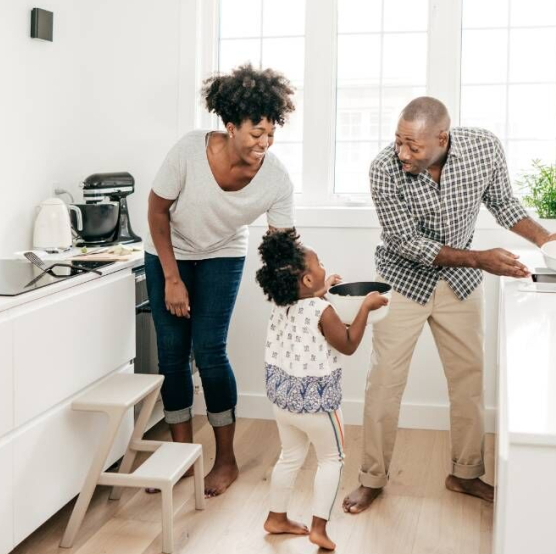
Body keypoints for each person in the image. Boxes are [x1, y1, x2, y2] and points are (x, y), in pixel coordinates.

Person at [342, 96, 556, 514]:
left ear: (442, 138)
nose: (402, 153)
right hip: (403, 280)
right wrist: (479, 258)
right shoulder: (384, 169)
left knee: (469, 380)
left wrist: (545, 238)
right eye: (398, 141)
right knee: (384, 383)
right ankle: (372, 478)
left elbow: (503, 203)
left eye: (413, 146)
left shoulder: (483, 148)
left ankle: (465, 474)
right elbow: (406, 242)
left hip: (460, 283)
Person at [145, 63, 297, 497]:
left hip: (223, 252)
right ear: (231, 127)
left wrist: (303, 289)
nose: (264, 143)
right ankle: (180, 456)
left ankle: (225, 460)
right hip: (169, 250)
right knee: (172, 354)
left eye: (271, 133)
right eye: (256, 133)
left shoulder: (276, 179)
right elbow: (156, 211)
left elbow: (281, 247)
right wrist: (172, 278)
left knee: (209, 351)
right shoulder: (189, 152)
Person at [254, 230, 387, 550]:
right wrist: (365, 308)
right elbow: (348, 344)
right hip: (317, 405)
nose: (324, 266)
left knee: (289, 457)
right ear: (307, 280)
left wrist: (323, 289)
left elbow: (306, 319)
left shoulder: (281, 303)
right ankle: (319, 528)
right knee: (332, 459)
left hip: (284, 400)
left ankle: (276, 517)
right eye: (320, 264)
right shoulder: (322, 311)